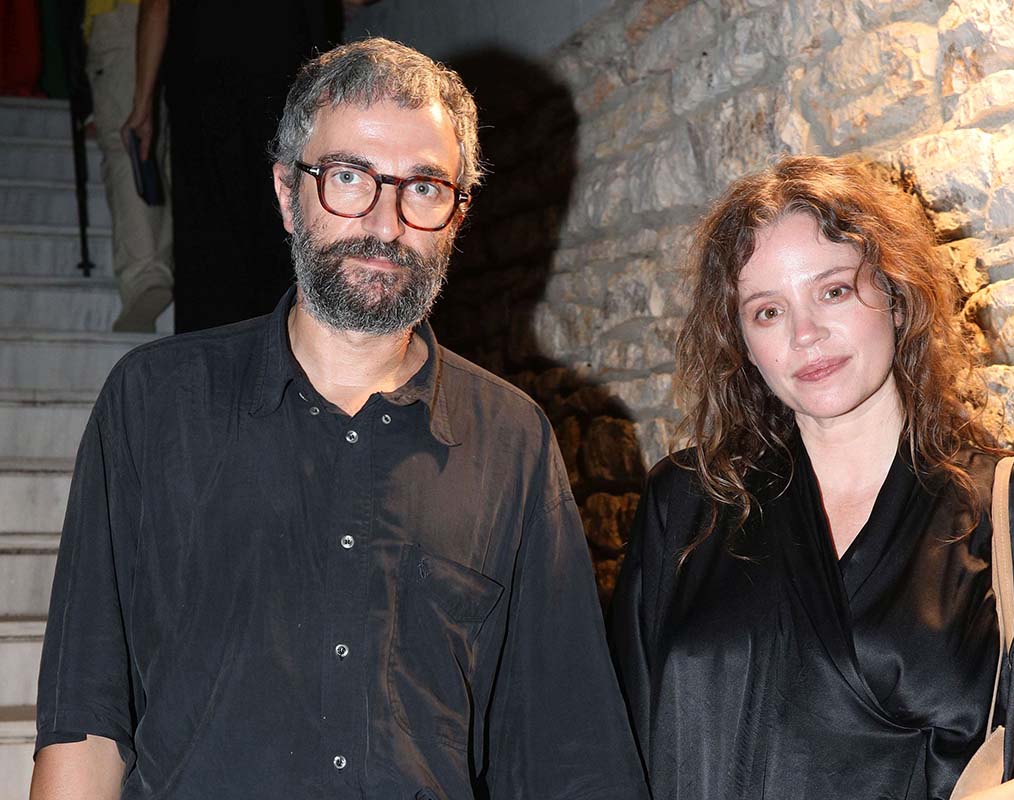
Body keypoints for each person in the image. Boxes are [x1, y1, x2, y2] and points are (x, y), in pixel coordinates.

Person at [32, 38, 647, 800]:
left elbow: (570, 752)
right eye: (349, 177)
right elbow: (84, 723)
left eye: (423, 186)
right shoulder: (152, 405)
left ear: (457, 214)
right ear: (288, 194)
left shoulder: (512, 440)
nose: (386, 226)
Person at [608, 155, 1014, 800]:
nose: (805, 335)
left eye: (834, 291)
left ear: (896, 298)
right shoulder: (687, 504)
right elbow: (614, 748)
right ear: (742, 343)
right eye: (767, 311)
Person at [125, 0, 347, 333]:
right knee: (281, 221)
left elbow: (157, 7)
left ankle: (207, 353)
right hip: (283, 69)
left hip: (202, 72)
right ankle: (284, 343)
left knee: (207, 230)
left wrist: (142, 104)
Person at [84, 0, 173, 332]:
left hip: (126, 15)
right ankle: (162, 265)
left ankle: (145, 276)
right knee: (160, 150)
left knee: (129, 142)